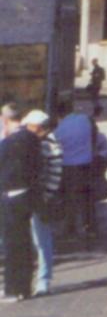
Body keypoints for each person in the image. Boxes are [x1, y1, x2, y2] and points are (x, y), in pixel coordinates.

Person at [0, 103, 39, 302]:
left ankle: (12, 289)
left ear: (5, 120)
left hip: (11, 196)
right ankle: (25, 286)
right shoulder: (33, 139)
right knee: (24, 242)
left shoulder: (7, 144)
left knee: (11, 244)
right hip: (29, 194)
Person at [24, 110, 61, 297]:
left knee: (41, 239)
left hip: (41, 199)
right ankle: (39, 279)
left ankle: (43, 279)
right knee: (38, 239)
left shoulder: (47, 144)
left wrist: (46, 196)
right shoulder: (42, 142)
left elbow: (53, 174)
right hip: (38, 197)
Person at [54, 96, 97, 240]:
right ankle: (90, 227)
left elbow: (57, 150)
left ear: (60, 114)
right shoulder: (84, 120)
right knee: (87, 198)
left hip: (69, 167)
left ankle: (71, 226)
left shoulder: (59, 131)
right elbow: (94, 133)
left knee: (71, 198)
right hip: (87, 164)